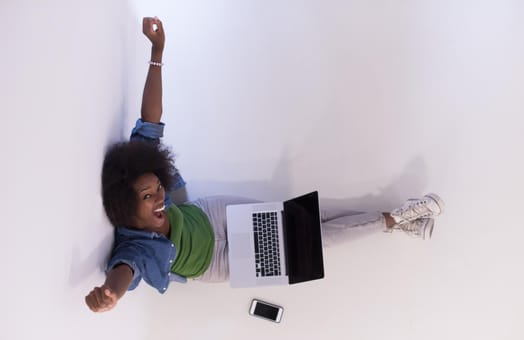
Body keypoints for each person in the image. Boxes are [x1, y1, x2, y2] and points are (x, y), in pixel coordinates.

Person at [85, 17, 445, 313]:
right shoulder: (134, 249)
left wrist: (157, 50)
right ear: (125, 206)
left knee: (310, 215)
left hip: (211, 215)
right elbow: (123, 271)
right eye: (148, 197)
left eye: (157, 188)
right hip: (218, 262)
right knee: (314, 243)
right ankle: (396, 218)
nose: (159, 197)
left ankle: (397, 222)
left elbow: (150, 118)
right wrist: (110, 293)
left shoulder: (137, 169)